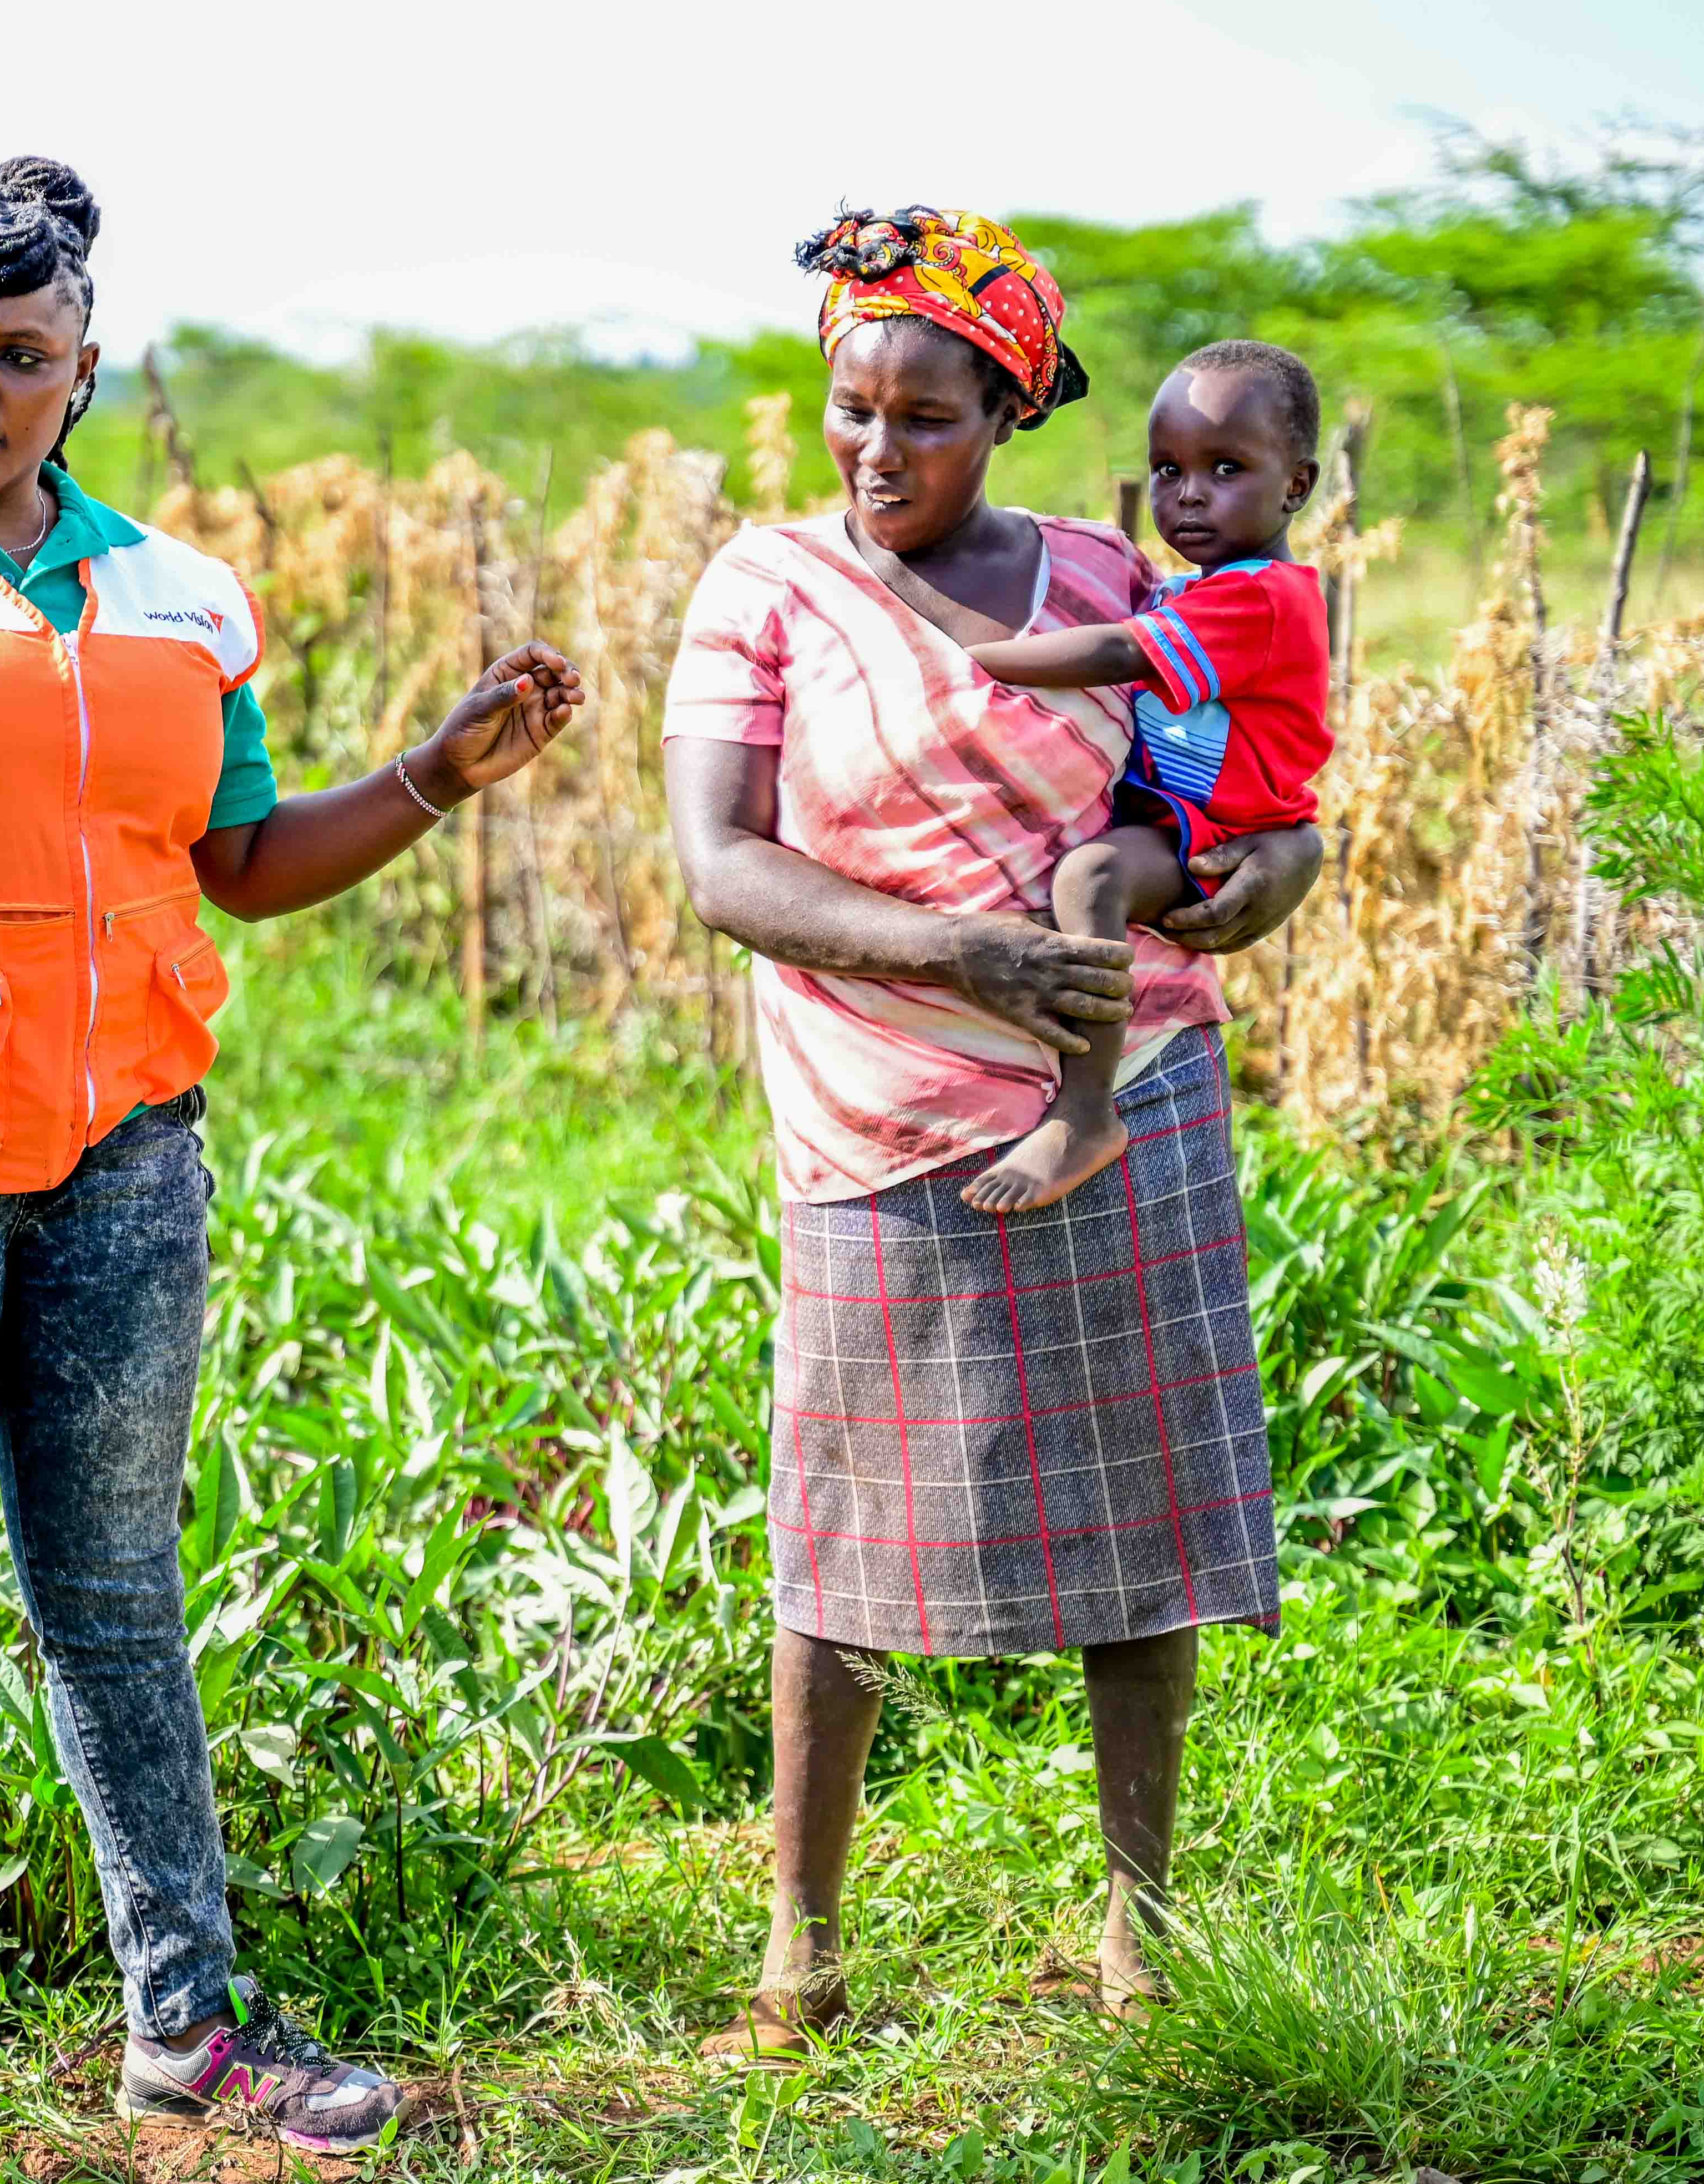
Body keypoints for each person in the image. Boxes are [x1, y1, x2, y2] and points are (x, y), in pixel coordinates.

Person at [0, 158, 585, 2180]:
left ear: (81, 371)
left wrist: (429, 771)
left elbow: (236, 861)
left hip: (121, 1157)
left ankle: (188, 2026)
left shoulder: (176, 595)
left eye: (18, 354)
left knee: (117, 1596)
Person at [660, 205, 1325, 2051]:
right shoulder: (766, 588)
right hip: (874, 1115)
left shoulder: (1120, 577)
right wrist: (963, 954)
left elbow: (1259, 787)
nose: (879, 451)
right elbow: (721, 866)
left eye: (926, 416)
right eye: (852, 410)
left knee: (1145, 1535)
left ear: (1009, 407)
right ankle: (795, 1959)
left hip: (1130, 1087)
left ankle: (1139, 1942)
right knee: (839, 1547)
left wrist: (1261, 882)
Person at [960, 339, 1334, 1213]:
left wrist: (978, 659)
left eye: (1226, 468)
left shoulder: (1261, 596)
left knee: (1092, 874)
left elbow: (1123, 651)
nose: (1189, 493)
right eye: (1168, 469)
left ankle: (1087, 1111)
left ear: (1298, 485)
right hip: (1179, 808)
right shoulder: (1200, 586)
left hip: (1211, 829)